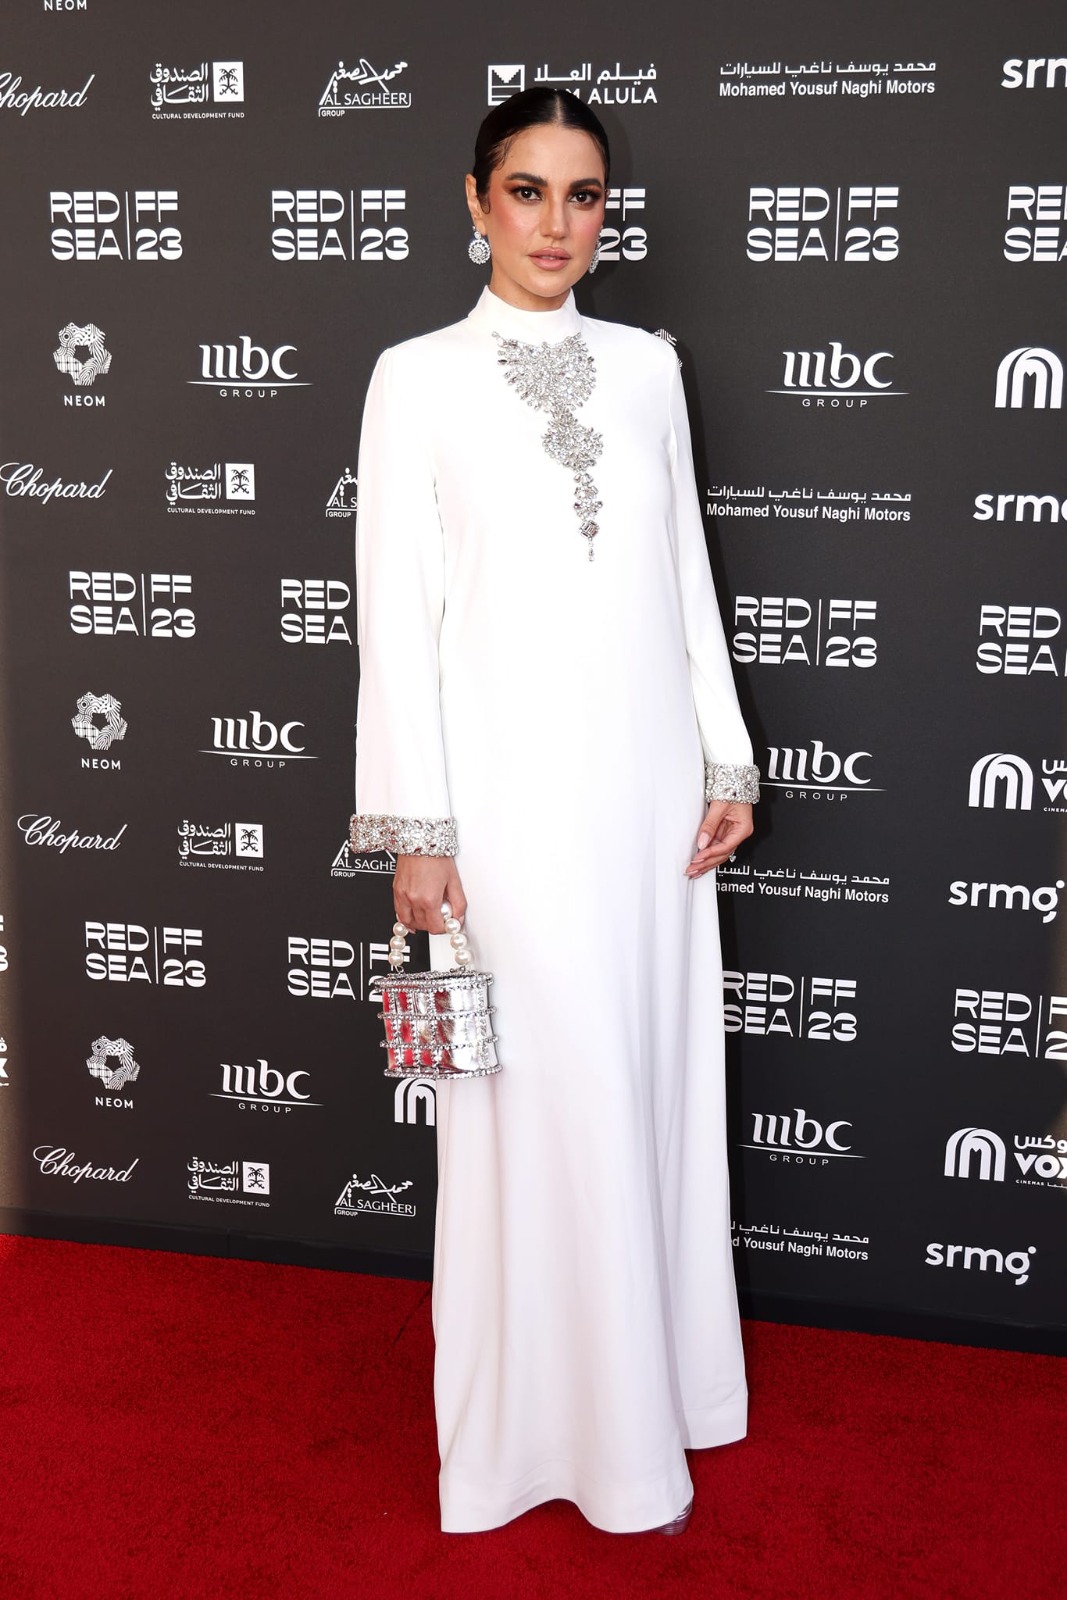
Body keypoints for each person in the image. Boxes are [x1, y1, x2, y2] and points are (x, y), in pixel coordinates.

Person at [351, 86, 759, 1536]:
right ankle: (537, 1443)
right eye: (527, 192)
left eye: (583, 196)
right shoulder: (416, 378)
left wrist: (724, 760)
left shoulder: (648, 370)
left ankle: (666, 1401)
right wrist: (417, 828)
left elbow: (685, 577)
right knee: (539, 1104)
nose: (555, 224)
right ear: (475, 203)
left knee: (648, 1086)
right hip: (507, 809)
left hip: (646, 801)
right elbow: (394, 616)